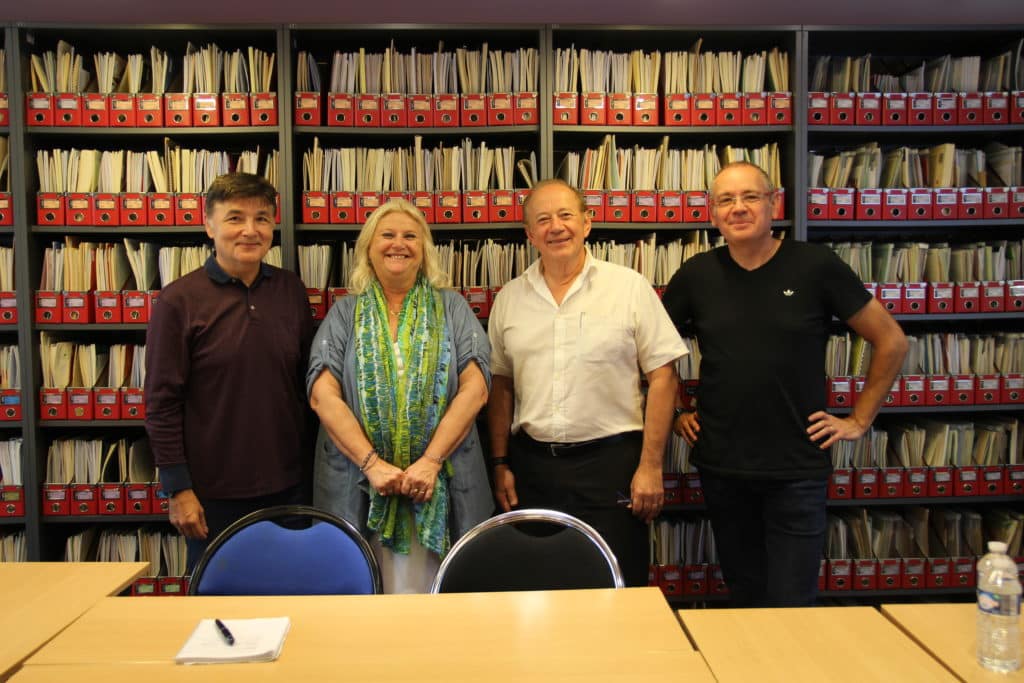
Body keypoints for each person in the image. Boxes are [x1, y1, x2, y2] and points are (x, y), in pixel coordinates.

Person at [661, 161, 909, 607]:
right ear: (712, 213)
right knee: (745, 596)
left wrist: (858, 420)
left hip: (797, 468)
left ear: (774, 203)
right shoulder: (696, 275)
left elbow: (891, 340)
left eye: (750, 197)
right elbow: (653, 353)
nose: (738, 208)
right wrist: (678, 410)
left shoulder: (815, 266)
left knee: (793, 604)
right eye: (726, 200)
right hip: (723, 466)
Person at [487, 178, 688, 587]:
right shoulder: (509, 298)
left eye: (565, 215)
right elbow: (500, 385)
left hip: (612, 466)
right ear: (529, 234)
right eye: (543, 219)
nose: (556, 227)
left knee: (616, 584)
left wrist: (651, 466)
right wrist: (501, 463)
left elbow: (663, 377)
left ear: (587, 223)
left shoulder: (629, 287)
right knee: (537, 586)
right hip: (533, 468)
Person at [308, 198, 493, 593]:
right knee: (363, 595)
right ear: (368, 249)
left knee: (445, 597)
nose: (399, 244)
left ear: (423, 249)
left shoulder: (453, 307)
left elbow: (476, 389)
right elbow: (323, 395)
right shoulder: (344, 314)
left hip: (441, 482)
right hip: (361, 486)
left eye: (410, 236)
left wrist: (430, 461)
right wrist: (372, 465)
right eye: (387, 235)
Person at [145, 172, 315, 571]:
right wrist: (178, 489)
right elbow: (161, 403)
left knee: (293, 593)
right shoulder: (178, 301)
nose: (250, 230)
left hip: (289, 487)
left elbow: (305, 385)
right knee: (220, 599)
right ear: (209, 226)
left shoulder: (290, 290)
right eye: (235, 218)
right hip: (212, 496)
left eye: (262, 218)